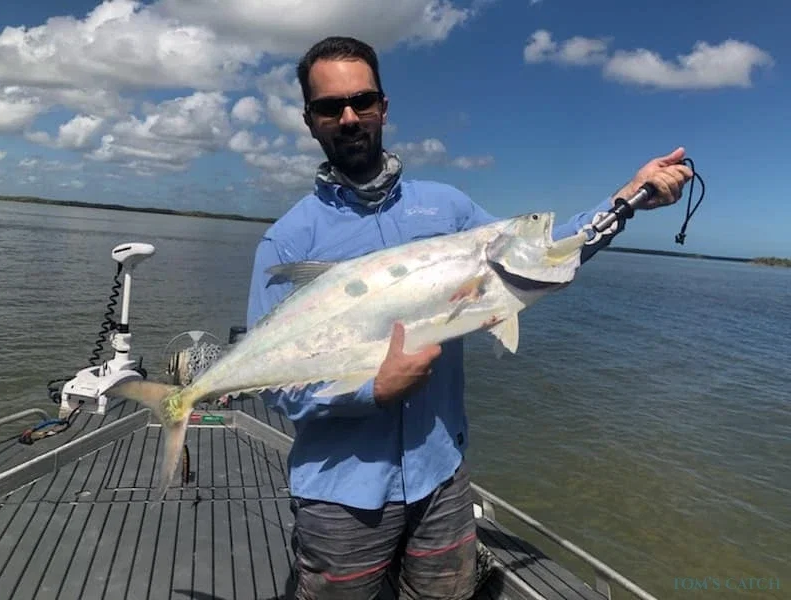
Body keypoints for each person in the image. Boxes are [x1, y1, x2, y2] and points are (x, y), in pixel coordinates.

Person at [246, 36, 693, 600]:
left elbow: (536, 254)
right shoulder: (287, 241)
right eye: (331, 107)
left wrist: (625, 199)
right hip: (340, 496)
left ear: (384, 106)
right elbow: (275, 385)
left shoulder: (448, 207)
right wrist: (370, 391)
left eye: (363, 100)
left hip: (442, 477)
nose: (350, 117)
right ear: (310, 120)